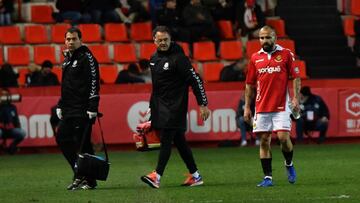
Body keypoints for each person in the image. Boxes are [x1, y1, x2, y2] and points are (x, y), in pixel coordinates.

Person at [141, 26, 210, 189]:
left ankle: (156, 176)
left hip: (176, 106)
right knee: (179, 141)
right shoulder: (153, 58)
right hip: (161, 106)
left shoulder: (179, 59)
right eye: (160, 40)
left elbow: (196, 80)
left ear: (171, 39)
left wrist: (203, 103)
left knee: (166, 139)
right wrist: (152, 108)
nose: (163, 43)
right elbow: (156, 87)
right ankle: (196, 176)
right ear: (154, 41)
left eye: (166, 40)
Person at [244, 26, 301, 187]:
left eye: (268, 37)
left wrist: (296, 98)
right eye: (261, 38)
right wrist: (247, 107)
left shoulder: (286, 54)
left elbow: (296, 77)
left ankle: (288, 164)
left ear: (275, 37)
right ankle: (268, 178)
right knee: (264, 140)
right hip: (261, 107)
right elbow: (249, 84)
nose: (264, 41)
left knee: (283, 138)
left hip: (281, 105)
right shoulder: (255, 58)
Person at [55, 27, 100, 190]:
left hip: (83, 108)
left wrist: (93, 106)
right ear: (65, 41)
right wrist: (60, 104)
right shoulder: (68, 59)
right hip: (69, 108)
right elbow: (66, 86)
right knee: (64, 138)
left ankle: (82, 177)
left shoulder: (87, 57)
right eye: (68, 39)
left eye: (74, 39)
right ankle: (86, 177)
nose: (71, 42)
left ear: (80, 40)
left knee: (82, 145)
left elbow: (94, 82)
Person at [0, 88, 26, 154]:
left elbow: (15, 119)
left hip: (10, 129)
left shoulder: (12, 107)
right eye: (3, 95)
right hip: (1, 129)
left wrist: (18, 126)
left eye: (6, 95)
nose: (5, 97)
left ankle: (12, 146)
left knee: (22, 133)